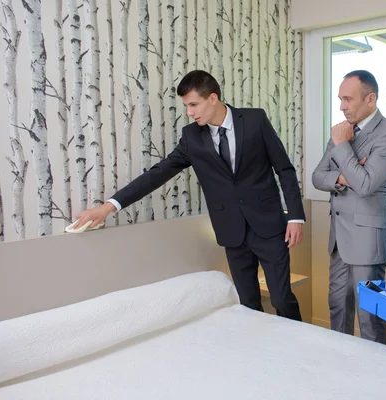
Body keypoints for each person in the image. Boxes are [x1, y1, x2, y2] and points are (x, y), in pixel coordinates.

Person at [74, 70, 305, 321]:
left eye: (194, 104)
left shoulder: (254, 120)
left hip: (269, 226)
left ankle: (299, 350)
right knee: (247, 303)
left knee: (282, 298)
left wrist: (295, 216)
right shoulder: (192, 137)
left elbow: (284, 169)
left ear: (213, 98)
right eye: (186, 106)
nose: (190, 112)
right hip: (232, 231)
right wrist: (109, 207)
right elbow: (157, 173)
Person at [312, 70, 386, 344]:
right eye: (340, 99)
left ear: (370, 98)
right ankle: (340, 372)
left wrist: (341, 148)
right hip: (338, 239)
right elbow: (317, 176)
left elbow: (364, 185)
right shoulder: (342, 130)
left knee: (370, 318)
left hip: (367, 242)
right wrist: (342, 177)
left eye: (348, 99)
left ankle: (373, 379)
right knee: (337, 309)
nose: (342, 106)